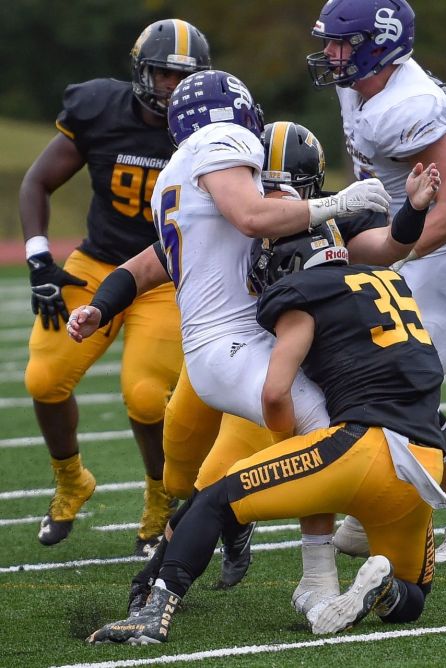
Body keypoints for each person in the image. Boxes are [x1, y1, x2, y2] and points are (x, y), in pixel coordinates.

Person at [68, 115, 442, 612]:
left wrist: (412, 211)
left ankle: (191, 577)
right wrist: (100, 306)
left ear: (310, 186)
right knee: (182, 478)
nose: (278, 198)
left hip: (282, 365)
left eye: (290, 188)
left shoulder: (328, 223)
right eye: (266, 186)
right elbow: (142, 268)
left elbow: (388, 246)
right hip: (229, 355)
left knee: (228, 481)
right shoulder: (228, 217)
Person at [306, 0, 446, 563]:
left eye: (341, 44)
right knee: (369, 384)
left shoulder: (408, 105)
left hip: (439, 256)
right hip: (399, 243)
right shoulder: (361, 84)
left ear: (378, 45)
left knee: (402, 393)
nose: (330, 54)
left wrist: (391, 254)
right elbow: (373, 171)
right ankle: (374, 512)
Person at [19, 18, 211, 555]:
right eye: (163, 74)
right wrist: (39, 260)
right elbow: (37, 181)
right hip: (98, 263)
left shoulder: (210, 126)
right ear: (140, 71)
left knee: (147, 397)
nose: (172, 87)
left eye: (184, 77)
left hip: (165, 275)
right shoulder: (99, 108)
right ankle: (71, 480)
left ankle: (159, 498)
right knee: (44, 378)